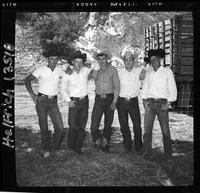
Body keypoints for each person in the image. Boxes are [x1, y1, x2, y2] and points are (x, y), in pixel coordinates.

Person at [24, 44, 66, 158]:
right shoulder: (41, 69)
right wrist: (33, 95)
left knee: (60, 128)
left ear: (58, 59)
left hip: (53, 102)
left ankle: (56, 148)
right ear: (48, 59)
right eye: (52, 58)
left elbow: (68, 77)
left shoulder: (60, 70)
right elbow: (27, 80)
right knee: (44, 127)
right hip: (41, 101)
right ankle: (46, 148)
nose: (54, 61)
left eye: (56, 58)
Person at [141, 48, 177, 162]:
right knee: (147, 130)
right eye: (151, 59)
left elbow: (172, 89)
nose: (154, 61)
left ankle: (168, 155)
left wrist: (169, 102)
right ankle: (147, 154)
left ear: (160, 59)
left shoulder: (167, 72)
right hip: (150, 103)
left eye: (156, 59)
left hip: (162, 104)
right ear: (150, 61)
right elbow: (145, 88)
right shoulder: (149, 73)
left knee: (165, 130)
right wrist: (144, 101)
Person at [60, 51, 99, 154]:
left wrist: (88, 64)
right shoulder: (67, 74)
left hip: (84, 101)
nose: (79, 63)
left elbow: (96, 63)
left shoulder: (85, 70)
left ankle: (78, 148)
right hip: (73, 102)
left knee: (82, 126)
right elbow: (62, 89)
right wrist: (68, 101)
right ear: (72, 62)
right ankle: (70, 148)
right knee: (72, 126)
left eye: (81, 61)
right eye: (76, 61)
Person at [90, 50, 120, 153]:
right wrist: (95, 69)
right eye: (99, 59)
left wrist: (114, 102)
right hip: (98, 99)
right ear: (97, 60)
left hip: (109, 99)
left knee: (108, 124)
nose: (102, 61)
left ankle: (105, 144)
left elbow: (117, 87)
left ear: (107, 59)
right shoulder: (96, 70)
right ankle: (98, 142)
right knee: (94, 124)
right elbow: (91, 77)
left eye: (103, 59)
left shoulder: (113, 70)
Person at [117, 50, 145, 154]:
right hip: (121, 102)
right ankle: (127, 145)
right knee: (124, 125)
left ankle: (138, 146)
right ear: (123, 61)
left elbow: (150, 69)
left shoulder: (139, 70)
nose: (128, 62)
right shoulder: (119, 73)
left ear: (133, 61)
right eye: (126, 60)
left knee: (137, 125)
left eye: (130, 60)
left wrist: (145, 70)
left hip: (133, 102)